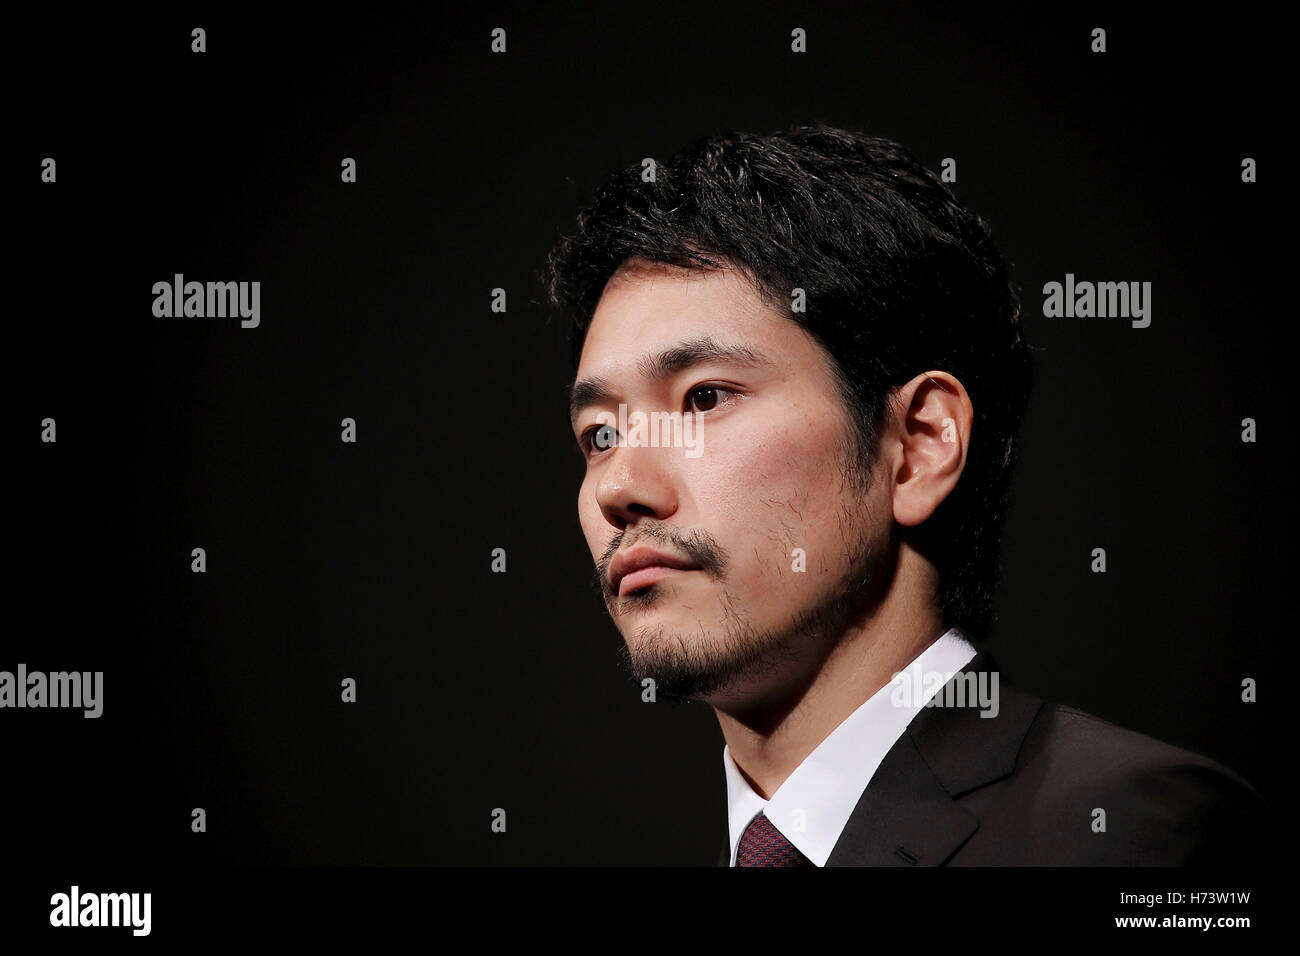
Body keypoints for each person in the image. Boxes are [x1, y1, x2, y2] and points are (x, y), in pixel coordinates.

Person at [546, 123, 1266, 866]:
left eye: (704, 398)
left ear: (920, 445)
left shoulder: (1133, 834)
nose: (620, 487)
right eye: (600, 435)